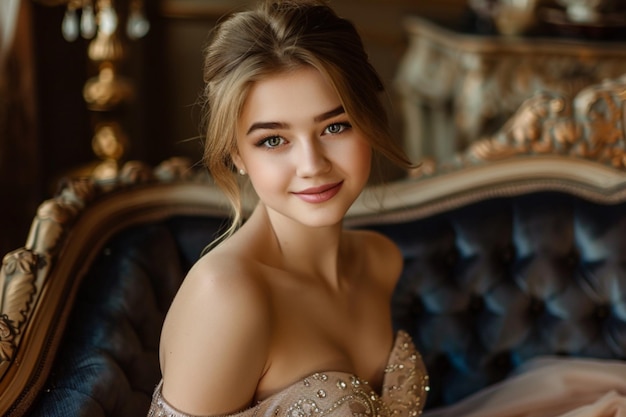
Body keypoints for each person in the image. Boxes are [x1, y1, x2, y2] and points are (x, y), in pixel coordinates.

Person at [148, 1, 428, 416]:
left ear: (367, 122)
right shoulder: (226, 297)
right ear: (236, 155)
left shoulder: (379, 260)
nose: (312, 165)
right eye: (273, 140)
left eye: (335, 126)